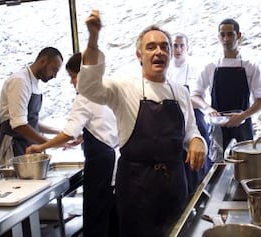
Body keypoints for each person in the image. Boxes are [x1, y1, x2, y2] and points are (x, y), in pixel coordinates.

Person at [78, 10, 207, 236]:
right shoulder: (123, 87)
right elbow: (88, 87)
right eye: (151, 47)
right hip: (137, 187)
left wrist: (198, 140)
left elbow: (190, 129)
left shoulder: (180, 92)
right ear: (139, 55)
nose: (159, 51)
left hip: (175, 184)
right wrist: (93, 38)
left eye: (164, 46)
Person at [26, 52, 119, 237]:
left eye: (73, 76)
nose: (71, 82)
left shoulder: (84, 96)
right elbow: (104, 124)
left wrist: (40, 147)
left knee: (96, 215)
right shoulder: (106, 90)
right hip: (113, 159)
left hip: (100, 164)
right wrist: (85, 135)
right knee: (110, 214)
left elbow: (68, 132)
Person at [191, 19, 261, 162]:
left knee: (245, 166)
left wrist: (243, 115)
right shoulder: (210, 66)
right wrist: (207, 108)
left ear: (239, 35)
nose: (226, 39)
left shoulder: (250, 66)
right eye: (222, 35)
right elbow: (195, 96)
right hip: (218, 129)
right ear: (218, 37)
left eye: (230, 34)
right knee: (219, 169)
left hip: (243, 128)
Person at [0, 47, 63, 167]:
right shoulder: (20, 81)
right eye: (54, 70)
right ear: (43, 61)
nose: (54, 76)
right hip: (14, 146)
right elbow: (19, 125)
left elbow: (32, 122)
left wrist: (60, 133)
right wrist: (49, 143)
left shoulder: (34, 83)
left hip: (28, 145)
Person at [168, 33, 211, 194]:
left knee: (197, 164)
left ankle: (199, 195)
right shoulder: (167, 70)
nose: (178, 49)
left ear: (187, 48)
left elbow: (196, 98)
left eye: (181, 46)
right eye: (174, 45)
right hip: (172, 122)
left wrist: (179, 100)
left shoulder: (196, 68)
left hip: (195, 119)